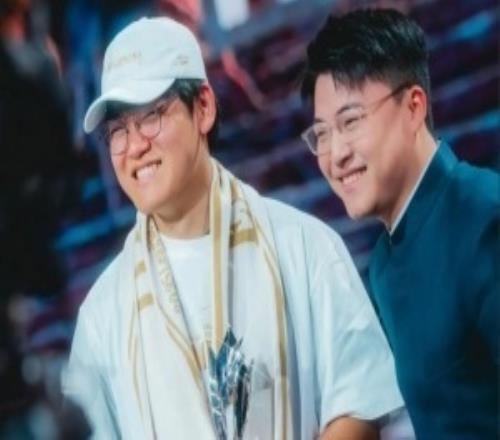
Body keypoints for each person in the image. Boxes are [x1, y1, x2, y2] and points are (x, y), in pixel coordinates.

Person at [63, 16, 408, 439]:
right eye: (118, 131)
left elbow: (360, 404)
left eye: (152, 116)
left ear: (203, 107)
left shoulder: (303, 245)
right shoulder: (103, 315)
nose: (134, 146)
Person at [300, 8, 499, 439]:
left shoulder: (485, 218)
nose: (336, 154)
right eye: (322, 134)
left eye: (351, 121)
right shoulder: (384, 265)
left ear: (413, 108)